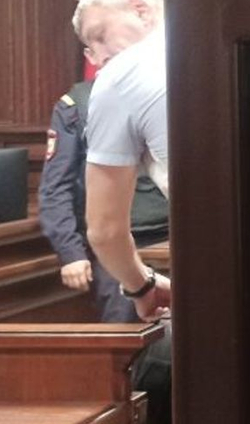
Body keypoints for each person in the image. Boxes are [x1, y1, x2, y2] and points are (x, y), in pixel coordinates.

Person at [72, 0, 172, 424]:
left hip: (237, 289)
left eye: (99, 35)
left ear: (141, 9)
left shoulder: (122, 76)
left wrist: (140, 285)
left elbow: (106, 230)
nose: (97, 58)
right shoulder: (240, 37)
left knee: (133, 382)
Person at [37, 78, 170, 322]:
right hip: (116, 247)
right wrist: (71, 252)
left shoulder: (166, 87)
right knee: (123, 334)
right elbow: (56, 187)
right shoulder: (78, 103)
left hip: (174, 241)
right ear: (91, 58)